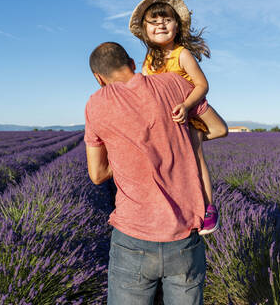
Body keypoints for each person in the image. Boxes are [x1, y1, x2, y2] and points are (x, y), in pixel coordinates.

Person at [85, 42, 209, 304]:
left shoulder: (96, 103)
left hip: (133, 238)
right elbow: (218, 128)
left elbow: (96, 175)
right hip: (184, 235)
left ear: (99, 78)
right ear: (132, 64)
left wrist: (128, 159)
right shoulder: (174, 83)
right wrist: (183, 142)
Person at [129, 0, 228, 235]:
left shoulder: (182, 54)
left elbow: (202, 85)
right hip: (165, 121)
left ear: (177, 26)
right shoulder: (149, 59)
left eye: (166, 20)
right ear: (144, 30)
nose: (160, 25)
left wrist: (185, 105)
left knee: (195, 159)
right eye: (154, 22)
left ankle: (208, 209)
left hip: (188, 114)